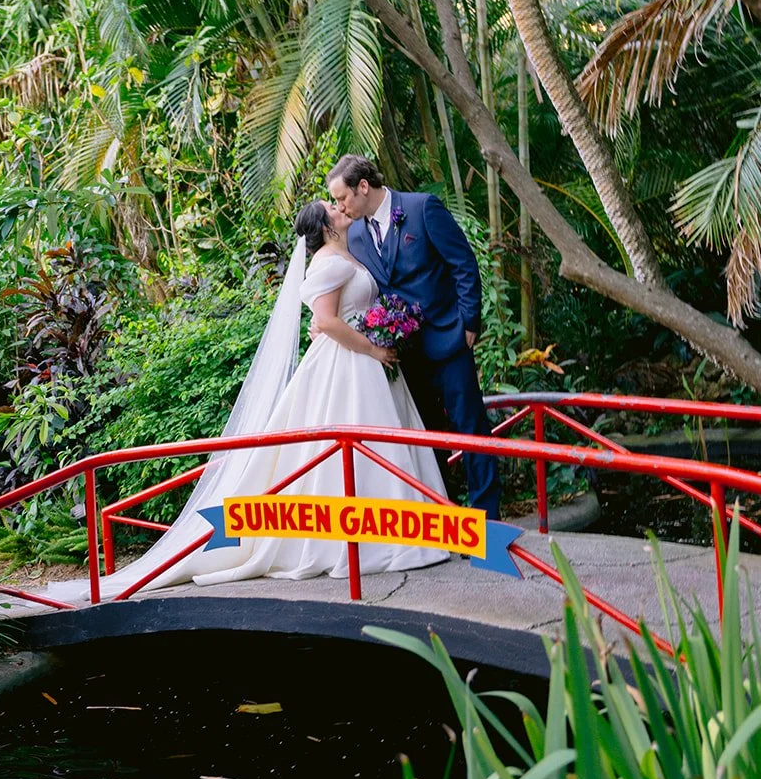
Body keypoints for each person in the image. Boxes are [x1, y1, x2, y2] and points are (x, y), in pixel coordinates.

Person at [50, 199, 448, 601]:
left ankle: (405, 526)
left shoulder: (345, 252)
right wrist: (374, 349)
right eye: (333, 206)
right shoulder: (330, 260)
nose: (340, 206)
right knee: (345, 450)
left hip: (360, 363)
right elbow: (326, 321)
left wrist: (383, 329)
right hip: (348, 364)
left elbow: (331, 317)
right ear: (325, 226)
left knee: (369, 448)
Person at [326, 154, 501, 520]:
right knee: (425, 437)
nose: (339, 207)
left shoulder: (422, 209)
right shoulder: (355, 234)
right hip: (403, 355)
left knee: (472, 430)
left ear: (363, 186)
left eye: (342, 198)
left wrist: (469, 323)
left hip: (450, 340)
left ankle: (488, 522)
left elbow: (463, 264)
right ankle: (446, 519)